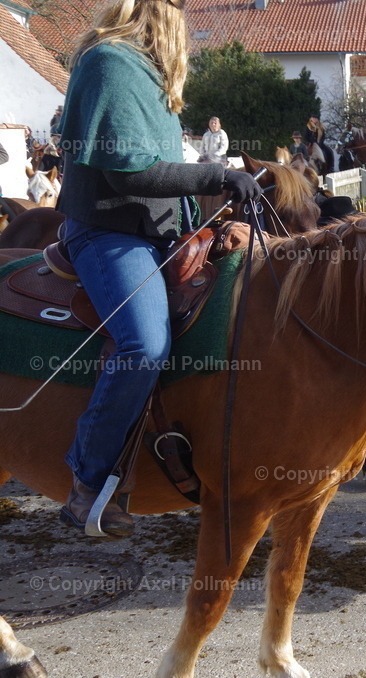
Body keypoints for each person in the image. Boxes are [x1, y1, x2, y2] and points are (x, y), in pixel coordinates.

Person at [55, 0, 261, 537]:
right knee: (143, 344)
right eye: (180, 16)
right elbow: (129, 176)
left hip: (160, 235)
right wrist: (214, 176)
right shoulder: (111, 62)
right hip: (109, 233)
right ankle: (88, 480)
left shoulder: (147, 73)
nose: (186, 33)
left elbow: (164, 169)